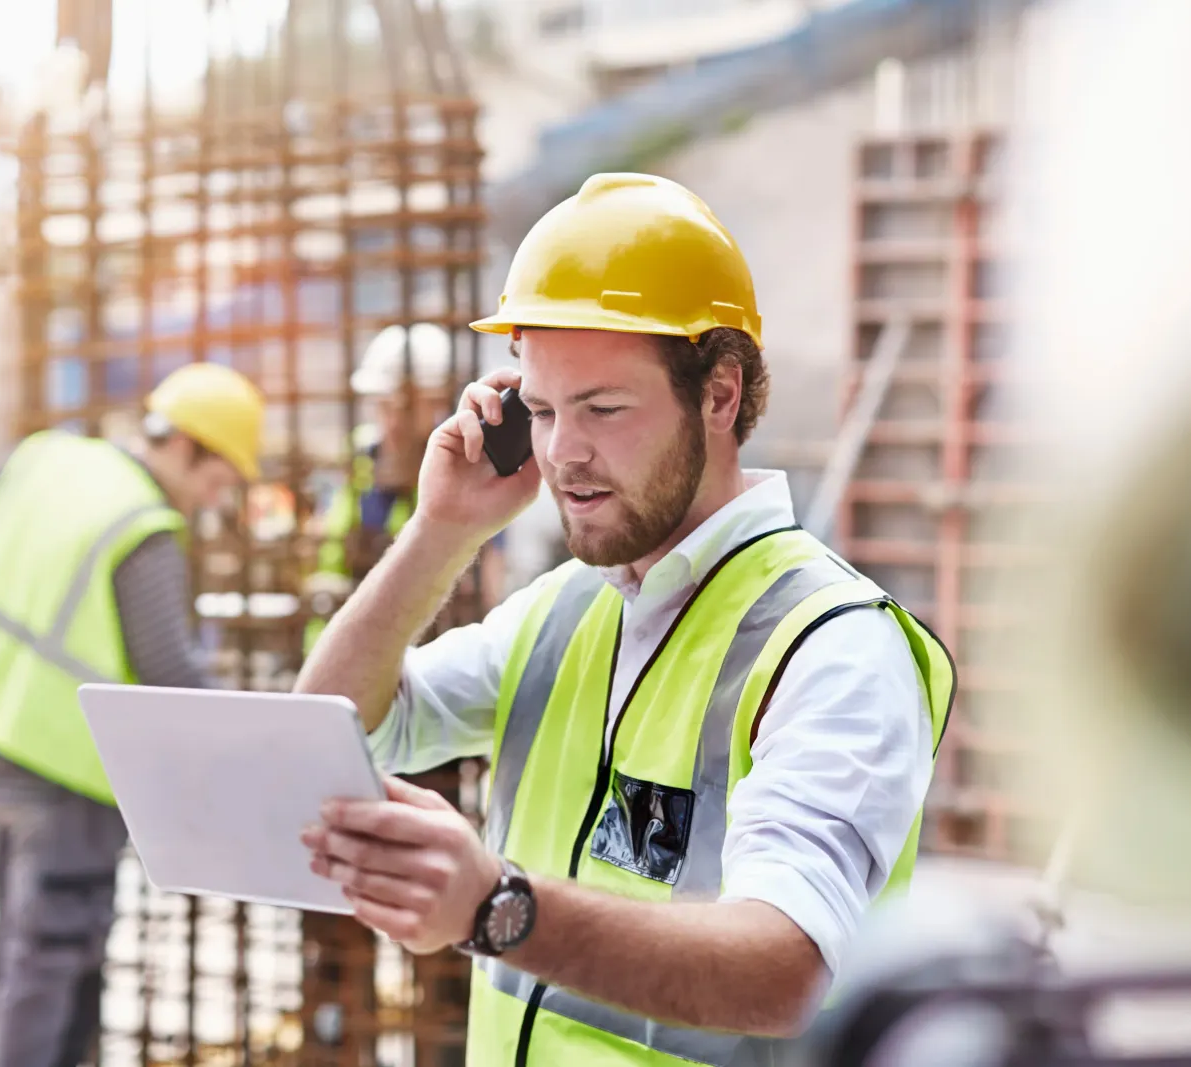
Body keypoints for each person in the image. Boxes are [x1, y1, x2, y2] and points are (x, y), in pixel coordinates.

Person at [296, 172, 955, 1064]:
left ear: (720, 395)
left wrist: (499, 908)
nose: (564, 451)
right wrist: (439, 531)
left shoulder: (833, 645)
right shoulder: (566, 610)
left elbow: (789, 966)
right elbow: (333, 730)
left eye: (602, 407)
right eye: (539, 410)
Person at [0, 361, 264, 1067]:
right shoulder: (144, 528)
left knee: (16, 935)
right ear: (184, 445)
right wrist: (261, 734)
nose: (213, 498)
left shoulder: (45, 457)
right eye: (218, 477)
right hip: (59, 760)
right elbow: (170, 676)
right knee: (51, 950)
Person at [304, 322, 506, 653]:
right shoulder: (360, 460)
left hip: (427, 654)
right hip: (345, 646)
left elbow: (489, 585)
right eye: (385, 406)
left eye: (406, 406)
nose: (393, 421)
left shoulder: (468, 469)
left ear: (440, 400)